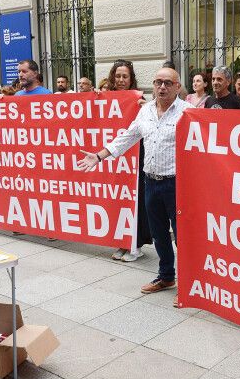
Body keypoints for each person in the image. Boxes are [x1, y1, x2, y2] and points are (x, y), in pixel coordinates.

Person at [79, 66, 191, 304]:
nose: (162, 87)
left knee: (182, 237)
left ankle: (189, 286)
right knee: (159, 234)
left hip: (177, 185)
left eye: (168, 83)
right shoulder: (146, 111)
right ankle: (166, 276)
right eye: (158, 82)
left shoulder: (188, 112)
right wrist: (99, 155)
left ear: (177, 87)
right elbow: (128, 136)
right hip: (150, 182)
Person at [104, 59, 153, 262]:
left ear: (131, 79)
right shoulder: (106, 98)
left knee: (135, 199)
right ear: (112, 78)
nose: (121, 80)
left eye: (125, 76)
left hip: (135, 157)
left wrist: (147, 106)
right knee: (117, 198)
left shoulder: (141, 100)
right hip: (114, 156)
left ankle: (135, 244)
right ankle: (121, 242)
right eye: (118, 76)